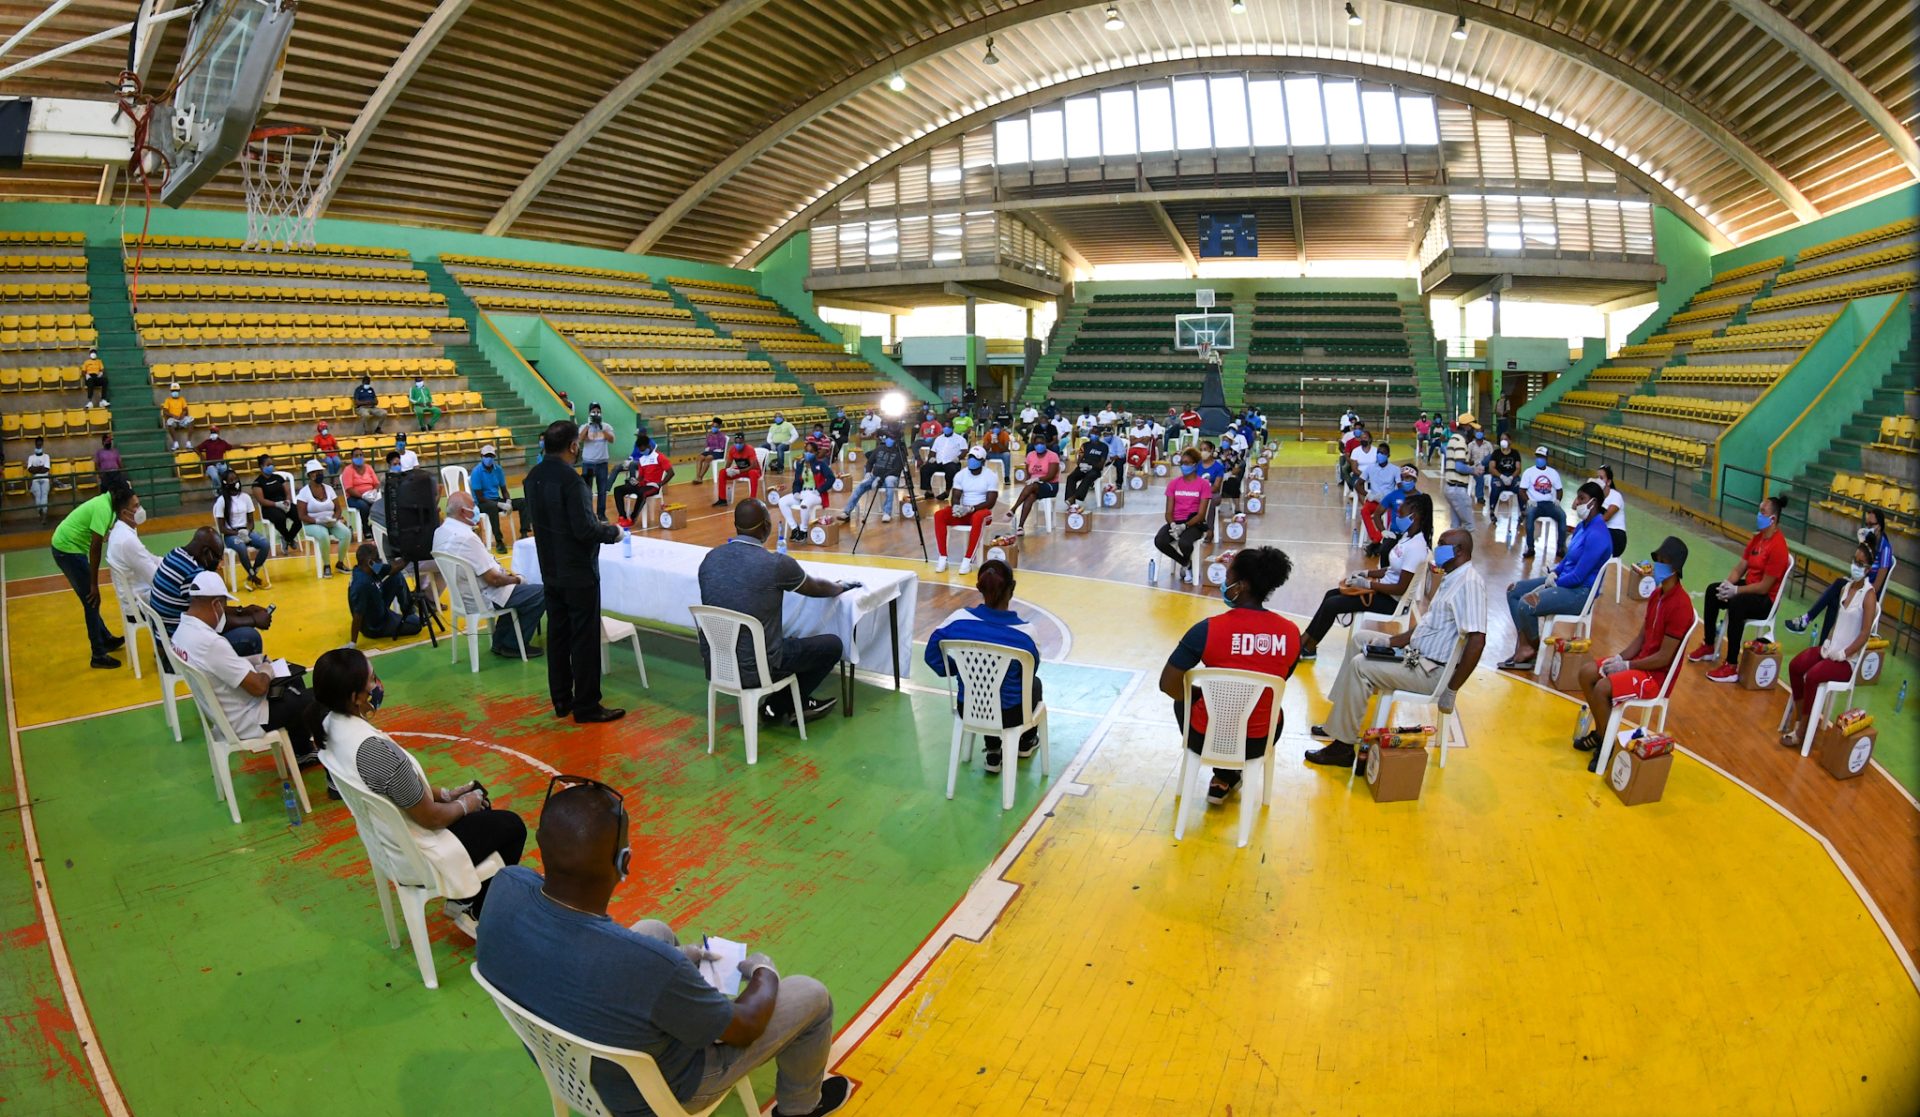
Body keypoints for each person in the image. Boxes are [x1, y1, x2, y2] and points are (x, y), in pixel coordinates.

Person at [476, 779, 852, 1117]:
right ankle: (801, 1108)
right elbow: (745, 1027)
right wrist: (764, 972)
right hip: (656, 1094)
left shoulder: (506, 884)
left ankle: (690, 1005)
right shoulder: (651, 967)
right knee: (812, 996)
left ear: (541, 843)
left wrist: (671, 966)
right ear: (625, 863)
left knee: (653, 930)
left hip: (564, 1068)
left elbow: (607, 959)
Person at [310, 647, 525, 936]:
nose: (378, 685)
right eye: (372, 679)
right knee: (512, 826)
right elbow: (431, 818)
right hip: (416, 852)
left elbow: (398, 788)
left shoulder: (329, 726)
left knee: (483, 814)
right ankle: (476, 912)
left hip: (383, 840)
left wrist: (448, 795)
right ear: (355, 697)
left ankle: (464, 898)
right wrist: (467, 803)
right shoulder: (376, 753)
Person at [1306, 528, 1486, 768]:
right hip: (1417, 656)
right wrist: (1390, 642)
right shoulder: (1451, 578)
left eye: (1442, 543)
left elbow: (1477, 640)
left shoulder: (1470, 583)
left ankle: (1343, 747)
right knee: (1361, 639)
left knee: (1361, 666)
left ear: (1460, 550)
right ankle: (1338, 722)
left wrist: (1451, 690)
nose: (1437, 548)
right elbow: (1426, 627)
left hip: (1431, 672)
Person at [1159, 547, 1299, 803]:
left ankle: (1223, 772)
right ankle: (1228, 775)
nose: (1224, 583)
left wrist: (1199, 694)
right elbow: (1279, 680)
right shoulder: (1291, 634)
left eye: (1228, 577)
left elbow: (1168, 684)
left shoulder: (1206, 630)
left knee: (1184, 699)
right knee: (1270, 704)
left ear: (1241, 585)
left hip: (1205, 738)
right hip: (1258, 741)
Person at [697, 500, 850, 723]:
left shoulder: (710, 558)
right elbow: (816, 588)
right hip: (758, 667)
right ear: (766, 527)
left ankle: (787, 705)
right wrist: (840, 586)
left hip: (718, 663)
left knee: (785, 641)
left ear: (736, 525)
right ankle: (778, 706)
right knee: (832, 645)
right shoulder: (776, 564)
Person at [525, 421, 625, 722]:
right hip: (578, 573)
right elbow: (585, 530)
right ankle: (586, 705)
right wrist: (613, 532)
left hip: (551, 570)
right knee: (584, 639)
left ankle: (561, 699)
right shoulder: (571, 481)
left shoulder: (533, 477)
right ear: (572, 446)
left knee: (558, 636)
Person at [169, 570, 317, 759]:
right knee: (317, 696)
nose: (223, 612)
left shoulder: (182, 633)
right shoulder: (211, 643)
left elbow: (217, 665)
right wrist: (266, 669)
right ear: (216, 604)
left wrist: (251, 663)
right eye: (223, 606)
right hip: (247, 719)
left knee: (292, 679)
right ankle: (310, 752)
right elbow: (258, 687)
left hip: (224, 712)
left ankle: (302, 750)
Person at [1573, 537, 1693, 761]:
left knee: (1602, 688)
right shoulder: (1656, 595)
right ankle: (1602, 734)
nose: (1657, 565)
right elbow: (1641, 637)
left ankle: (1606, 746)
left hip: (1655, 677)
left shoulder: (1681, 606)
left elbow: (1664, 658)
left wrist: (1627, 665)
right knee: (1587, 672)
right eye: (1657, 560)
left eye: (1663, 561)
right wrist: (1619, 658)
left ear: (1675, 568)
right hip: (1640, 664)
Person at [926, 560, 1043, 773]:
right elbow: (1029, 671)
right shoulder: (1025, 634)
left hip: (968, 707)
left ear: (979, 587)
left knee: (986, 688)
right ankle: (1026, 742)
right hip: (1010, 714)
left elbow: (931, 655)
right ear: (1012, 588)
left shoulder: (958, 620)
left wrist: (958, 669)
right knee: (1034, 683)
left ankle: (993, 751)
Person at [1298, 492, 1434, 660]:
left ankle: (1307, 646)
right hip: (1382, 591)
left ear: (1413, 517)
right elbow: (1392, 569)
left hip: (1391, 602)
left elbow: (1400, 588)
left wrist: (1368, 584)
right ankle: (1305, 641)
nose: (1397, 516)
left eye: (1400, 514)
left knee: (1332, 605)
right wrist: (1366, 573)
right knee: (1330, 595)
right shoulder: (1407, 537)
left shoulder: (1416, 547)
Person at [1498, 482, 1614, 671]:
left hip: (1579, 593)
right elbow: (1568, 559)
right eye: (1577, 497)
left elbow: (1578, 577)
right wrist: (1555, 572)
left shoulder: (1598, 535)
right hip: (1565, 582)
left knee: (1527, 603)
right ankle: (1526, 645)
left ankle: (1530, 648)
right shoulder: (1582, 527)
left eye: (1582, 499)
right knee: (1514, 591)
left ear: (1593, 503)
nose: (1576, 503)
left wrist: (1556, 582)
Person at [1781, 538, 1880, 746]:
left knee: (1813, 676)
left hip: (1846, 662)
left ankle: (1802, 730)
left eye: (1860, 563)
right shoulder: (1846, 588)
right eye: (1854, 560)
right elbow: (1838, 621)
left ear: (1868, 569)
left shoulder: (1869, 596)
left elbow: (1864, 634)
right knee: (1796, 666)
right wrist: (1827, 641)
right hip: (1831, 650)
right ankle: (1801, 717)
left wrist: (1844, 653)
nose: (1855, 566)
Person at [1690, 493, 1792, 684]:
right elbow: (1740, 568)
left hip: (1765, 601)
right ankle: (1709, 645)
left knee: (1737, 604)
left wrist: (1736, 591)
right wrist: (1727, 585)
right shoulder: (1758, 539)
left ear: (1773, 519)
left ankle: (1731, 666)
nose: (1758, 515)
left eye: (1762, 512)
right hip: (1750, 588)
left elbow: (1764, 587)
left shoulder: (1779, 547)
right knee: (1713, 591)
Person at [437, 491, 546, 659]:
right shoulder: (467, 538)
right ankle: (513, 644)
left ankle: (500, 641)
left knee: (518, 591)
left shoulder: (440, 532)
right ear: (463, 512)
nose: (475, 510)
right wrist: (517, 579)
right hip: (483, 596)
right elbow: (494, 580)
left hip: (463, 595)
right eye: (472, 506)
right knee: (541, 593)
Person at [149, 528, 272, 656]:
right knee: (250, 637)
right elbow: (216, 622)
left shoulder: (176, 554)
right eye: (218, 558)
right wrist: (253, 620)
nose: (218, 565)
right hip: (179, 647)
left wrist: (242, 611)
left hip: (166, 636)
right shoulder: (193, 574)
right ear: (206, 552)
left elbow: (211, 609)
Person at [51, 481, 132, 668]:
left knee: (90, 600)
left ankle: (105, 639)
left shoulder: (110, 506)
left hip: (69, 547)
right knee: (92, 599)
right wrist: (94, 585)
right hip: (67, 550)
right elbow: (95, 547)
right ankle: (98, 654)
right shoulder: (103, 508)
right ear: (117, 495)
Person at [1788, 508, 1895, 641]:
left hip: (1868, 594)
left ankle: (1807, 619)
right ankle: (1823, 646)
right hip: (1857, 586)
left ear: (1880, 526)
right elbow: (1857, 567)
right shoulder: (1867, 540)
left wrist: (1854, 587)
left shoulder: (1885, 549)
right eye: (1866, 524)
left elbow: (1876, 587)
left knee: (1838, 583)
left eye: (1871, 525)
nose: (1868, 528)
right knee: (1833, 600)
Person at [933, 447, 998, 575]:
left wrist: (972, 508)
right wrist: (957, 508)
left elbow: (991, 502)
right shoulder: (961, 475)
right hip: (964, 511)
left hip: (982, 512)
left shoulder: (991, 476)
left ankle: (968, 559)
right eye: (970, 457)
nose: (971, 460)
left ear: (982, 461)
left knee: (978, 517)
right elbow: (955, 497)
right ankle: (943, 557)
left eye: (975, 458)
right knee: (939, 515)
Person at [1154, 448, 1214, 584]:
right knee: (1160, 540)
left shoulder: (1203, 485)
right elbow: (1168, 512)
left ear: (1195, 464)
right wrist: (1173, 525)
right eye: (1181, 463)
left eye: (1187, 463)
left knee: (1185, 543)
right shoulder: (1173, 484)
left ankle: (1187, 565)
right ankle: (1186, 563)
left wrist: (1184, 526)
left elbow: (1201, 514)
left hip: (1194, 523)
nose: (1183, 466)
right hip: (1176, 522)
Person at [347, 542, 424, 642]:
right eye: (377, 558)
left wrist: (409, 556)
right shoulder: (362, 584)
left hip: (378, 606)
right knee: (417, 624)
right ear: (370, 562)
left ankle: (408, 611)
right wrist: (353, 642)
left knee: (397, 576)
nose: (380, 560)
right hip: (375, 626)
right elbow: (357, 615)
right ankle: (401, 620)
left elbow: (393, 569)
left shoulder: (367, 567)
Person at [294, 459, 353, 577]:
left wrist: (335, 519)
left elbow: (338, 509)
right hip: (311, 524)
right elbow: (301, 515)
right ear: (310, 475)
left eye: (320, 472)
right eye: (316, 472)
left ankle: (340, 563)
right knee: (323, 534)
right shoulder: (304, 492)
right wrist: (317, 521)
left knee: (346, 533)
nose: (319, 474)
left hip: (330, 522)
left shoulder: (329, 489)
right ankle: (326, 565)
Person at [214, 473, 270, 589]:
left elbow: (251, 522)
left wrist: (247, 531)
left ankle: (252, 575)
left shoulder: (245, 497)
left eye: (236, 479)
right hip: (231, 534)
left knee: (265, 544)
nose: (235, 482)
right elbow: (222, 528)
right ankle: (254, 578)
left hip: (246, 531)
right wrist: (237, 533)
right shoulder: (222, 500)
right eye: (231, 480)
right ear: (225, 483)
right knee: (241, 547)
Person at [845, 428, 907, 523]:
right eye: (888, 437)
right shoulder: (879, 448)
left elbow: (896, 470)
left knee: (889, 480)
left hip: (890, 478)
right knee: (861, 486)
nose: (889, 440)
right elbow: (869, 462)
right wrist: (868, 472)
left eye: (892, 438)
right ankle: (846, 512)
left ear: (896, 440)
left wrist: (881, 478)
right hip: (875, 476)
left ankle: (887, 513)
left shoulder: (900, 452)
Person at [105, 486, 161, 590]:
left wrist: (173, 563)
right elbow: (156, 578)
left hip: (138, 591)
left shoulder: (120, 531)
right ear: (124, 513)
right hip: (142, 595)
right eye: (136, 506)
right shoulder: (127, 540)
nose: (140, 509)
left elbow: (149, 558)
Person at [613, 435, 674, 528]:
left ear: (648, 446)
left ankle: (632, 519)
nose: (642, 452)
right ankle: (622, 517)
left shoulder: (659, 457)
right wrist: (634, 481)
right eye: (640, 450)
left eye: (643, 449)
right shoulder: (642, 459)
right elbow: (641, 477)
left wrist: (661, 483)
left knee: (642, 493)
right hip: (642, 485)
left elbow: (671, 472)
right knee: (618, 490)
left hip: (653, 486)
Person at [776, 447, 834, 542]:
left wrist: (819, 490)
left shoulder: (821, 464)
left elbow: (831, 479)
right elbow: (796, 482)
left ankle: (804, 530)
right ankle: (794, 528)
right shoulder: (800, 464)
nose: (808, 453)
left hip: (816, 494)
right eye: (806, 451)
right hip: (803, 492)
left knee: (804, 505)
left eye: (811, 451)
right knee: (782, 501)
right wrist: (796, 492)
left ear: (816, 453)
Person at [1518, 445, 1565, 560]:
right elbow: (1522, 490)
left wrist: (1558, 500)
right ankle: (1530, 547)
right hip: (1535, 503)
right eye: (1538, 456)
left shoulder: (1553, 473)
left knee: (1562, 516)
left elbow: (1559, 490)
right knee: (1530, 516)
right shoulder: (1529, 472)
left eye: (1542, 457)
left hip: (1550, 504)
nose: (1539, 459)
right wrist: (1528, 500)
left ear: (1546, 458)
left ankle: (1560, 548)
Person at [1007, 434, 1061, 534]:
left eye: (1041, 443)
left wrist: (1037, 479)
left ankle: (1013, 509)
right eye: (1037, 443)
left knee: (1032, 485)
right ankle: (1020, 526)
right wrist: (1029, 481)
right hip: (1034, 486)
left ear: (1045, 444)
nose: (1039, 445)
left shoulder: (1053, 456)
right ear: (1034, 445)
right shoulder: (1030, 455)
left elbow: (1051, 475)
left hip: (1050, 485)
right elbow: (1028, 473)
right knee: (1030, 496)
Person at [469, 443, 517, 551]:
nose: (489, 459)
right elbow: (479, 497)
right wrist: (499, 504)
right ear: (481, 456)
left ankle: (524, 533)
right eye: (486, 456)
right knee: (492, 507)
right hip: (482, 503)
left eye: (491, 456)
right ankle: (499, 541)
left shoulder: (498, 469)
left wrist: (508, 501)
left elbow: (504, 490)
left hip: (496, 500)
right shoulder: (476, 472)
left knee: (522, 502)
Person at [250, 455, 301, 552]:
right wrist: (277, 504)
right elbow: (261, 500)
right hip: (269, 507)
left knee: (300, 515)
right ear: (261, 466)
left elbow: (288, 491)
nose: (271, 466)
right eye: (268, 464)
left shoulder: (278, 478)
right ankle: (289, 538)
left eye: (272, 464)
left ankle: (287, 538)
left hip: (285, 504)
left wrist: (288, 501)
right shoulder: (257, 483)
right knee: (280, 518)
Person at [1357, 441, 1400, 544]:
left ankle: (1387, 539)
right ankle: (1376, 537)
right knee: (1364, 511)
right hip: (1374, 499)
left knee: (1391, 515)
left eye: (1383, 453)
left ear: (1388, 455)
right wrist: (1368, 494)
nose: (1380, 455)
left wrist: (1393, 498)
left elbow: (1400, 487)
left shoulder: (1395, 469)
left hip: (1388, 501)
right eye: (1378, 452)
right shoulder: (1370, 468)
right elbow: (1358, 485)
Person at [578, 403, 614, 518]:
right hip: (588, 463)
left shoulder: (606, 426)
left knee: (602, 490)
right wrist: (589, 425)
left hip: (602, 463)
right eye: (593, 412)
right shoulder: (584, 426)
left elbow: (611, 439)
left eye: (598, 412)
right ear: (589, 414)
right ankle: (588, 515)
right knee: (587, 490)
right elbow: (580, 439)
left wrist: (601, 427)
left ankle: (601, 514)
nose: (596, 414)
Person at [1441, 414, 1476, 528]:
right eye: (1472, 428)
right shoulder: (1460, 441)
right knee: (1469, 526)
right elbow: (1459, 467)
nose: (1474, 432)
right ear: (1467, 427)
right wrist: (1474, 470)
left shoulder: (1453, 438)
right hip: (1457, 490)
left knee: (1455, 526)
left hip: (1450, 488)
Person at [713, 430, 762, 507]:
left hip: (753, 470)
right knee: (722, 472)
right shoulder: (732, 450)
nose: (738, 444)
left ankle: (752, 500)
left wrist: (739, 471)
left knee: (752, 472)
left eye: (740, 442)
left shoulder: (749, 449)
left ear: (744, 441)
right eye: (736, 442)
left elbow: (753, 466)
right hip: (741, 470)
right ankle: (722, 499)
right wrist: (728, 470)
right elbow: (728, 463)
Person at [1063, 429, 1111, 507]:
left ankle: (1074, 497)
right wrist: (1081, 465)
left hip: (1095, 469)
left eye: (1095, 433)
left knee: (1089, 477)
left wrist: (1091, 465)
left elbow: (1101, 465)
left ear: (1099, 435)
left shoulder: (1104, 447)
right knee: (1071, 477)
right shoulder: (1084, 445)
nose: (1093, 435)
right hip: (1083, 467)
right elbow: (1079, 460)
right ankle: (1071, 502)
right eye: (1092, 433)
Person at [920, 421, 967, 497]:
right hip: (939, 461)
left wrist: (958, 458)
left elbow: (964, 451)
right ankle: (929, 491)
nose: (946, 429)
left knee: (950, 471)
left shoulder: (960, 439)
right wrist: (931, 458)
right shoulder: (939, 438)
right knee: (924, 469)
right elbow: (933, 451)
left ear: (952, 428)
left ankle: (947, 491)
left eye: (948, 427)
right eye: (945, 427)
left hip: (952, 462)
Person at [340, 449, 381, 536]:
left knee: (380, 504)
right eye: (356, 456)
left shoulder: (368, 468)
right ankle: (366, 528)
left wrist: (374, 491)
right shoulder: (348, 470)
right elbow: (349, 488)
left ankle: (376, 527)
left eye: (361, 455)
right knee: (364, 506)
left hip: (370, 495)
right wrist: (363, 496)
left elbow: (377, 483)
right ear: (352, 458)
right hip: (354, 498)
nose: (359, 457)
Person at [1485, 435, 1522, 521]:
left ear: (1510, 441)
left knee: (1520, 488)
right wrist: (1502, 476)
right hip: (1499, 476)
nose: (1503, 441)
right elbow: (1491, 468)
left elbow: (1518, 468)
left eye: (1505, 439)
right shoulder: (1496, 453)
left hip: (1512, 476)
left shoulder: (1515, 453)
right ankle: (1492, 511)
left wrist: (1511, 477)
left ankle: (1523, 511)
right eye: (1501, 439)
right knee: (1496, 486)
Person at [1594, 465, 1627, 557]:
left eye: (1601, 478)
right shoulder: (1596, 496)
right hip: (1603, 531)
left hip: (1616, 536)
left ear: (1608, 482)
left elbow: (1606, 517)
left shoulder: (1616, 496)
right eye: (1597, 477)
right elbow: (1575, 506)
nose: (1598, 480)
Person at [26, 437, 52, 522]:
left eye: (40, 444)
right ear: (35, 445)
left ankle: (44, 515)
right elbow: (30, 469)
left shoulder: (46, 456)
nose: (39, 445)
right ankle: (40, 512)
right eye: (37, 444)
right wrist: (40, 467)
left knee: (44, 495)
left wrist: (35, 469)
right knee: (38, 496)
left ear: (42, 445)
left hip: (45, 478)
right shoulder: (31, 457)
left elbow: (46, 469)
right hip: (35, 479)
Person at [161, 383, 194, 449]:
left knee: (191, 420)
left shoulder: (182, 399)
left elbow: (185, 409)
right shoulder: (168, 400)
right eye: (173, 391)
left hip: (181, 418)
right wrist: (172, 415)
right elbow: (165, 411)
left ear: (179, 391)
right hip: (173, 418)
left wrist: (182, 414)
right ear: (171, 391)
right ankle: (175, 443)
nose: (175, 392)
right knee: (169, 422)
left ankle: (188, 443)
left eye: (176, 391)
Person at [694, 418, 728, 484]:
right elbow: (707, 445)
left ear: (719, 427)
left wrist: (712, 448)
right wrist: (707, 448)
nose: (713, 428)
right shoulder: (709, 435)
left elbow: (721, 448)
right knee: (699, 457)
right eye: (712, 426)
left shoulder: (722, 436)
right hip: (710, 451)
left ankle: (700, 477)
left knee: (708, 458)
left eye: (715, 427)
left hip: (719, 453)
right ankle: (697, 477)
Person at [1466, 427, 1493, 508]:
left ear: (1483, 434)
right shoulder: (1471, 445)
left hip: (1486, 467)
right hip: (1475, 467)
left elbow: (1492, 458)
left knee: (1489, 457)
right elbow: (1467, 459)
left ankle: (1481, 464)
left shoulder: (1488, 444)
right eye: (1477, 431)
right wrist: (1471, 462)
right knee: (1479, 475)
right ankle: (1480, 497)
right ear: (1475, 433)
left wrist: (1483, 464)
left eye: (1480, 432)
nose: (1479, 433)